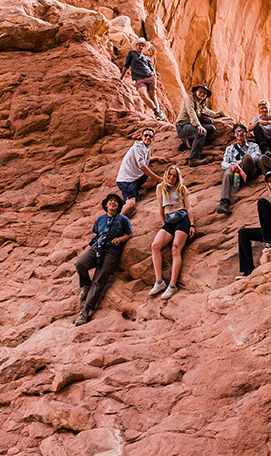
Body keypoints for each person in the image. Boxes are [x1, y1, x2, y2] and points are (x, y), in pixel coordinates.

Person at [73, 194, 134, 325]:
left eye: (116, 201)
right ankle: (85, 284)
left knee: (99, 280)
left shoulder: (122, 219)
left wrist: (120, 239)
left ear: (119, 206)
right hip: (97, 248)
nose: (113, 203)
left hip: (112, 252)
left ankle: (85, 311)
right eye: (110, 201)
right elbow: (96, 234)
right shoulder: (100, 219)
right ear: (106, 204)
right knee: (80, 263)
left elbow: (129, 234)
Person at [149, 165, 194, 299]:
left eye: (174, 176)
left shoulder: (182, 188)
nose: (171, 178)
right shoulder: (160, 187)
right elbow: (160, 207)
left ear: (177, 177)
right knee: (155, 246)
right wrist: (164, 225)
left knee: (175, 249)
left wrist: (192, 224)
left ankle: (172, 286)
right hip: (169, 221)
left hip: (182, 219)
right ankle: (159, 282)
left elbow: (189, 207)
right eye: (169, 175)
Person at [175, 84, 227, 167]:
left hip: (190, 126)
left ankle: (190, 141)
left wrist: (220, 115)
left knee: (211, 129)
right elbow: (191, 111)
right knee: (200, 132)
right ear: (196, 92)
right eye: (200, 91)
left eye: (204, 93)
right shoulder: (190, 98)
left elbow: (209, 112)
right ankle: (193, 159)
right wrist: (198, 125)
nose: (202, 94)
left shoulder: (201, 104)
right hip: (182, 125)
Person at [217, 124, 264, 215]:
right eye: (237, 132)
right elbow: (224, 162)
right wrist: (231, 166)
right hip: (235, 173)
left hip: (248, 170)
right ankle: (225, 203)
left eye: (242, 131)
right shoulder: (230, 148)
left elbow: (257, 156)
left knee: (247, 157)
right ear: (234, 134)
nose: (240, 134)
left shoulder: (253, 146)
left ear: (246, 133)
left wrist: (239, 162)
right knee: (227, 173)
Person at [114, 128, 163, 215]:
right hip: (126, 180)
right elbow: (142, 167)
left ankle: (136, 189)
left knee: (153, 181)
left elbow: (143, 161)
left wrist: (156, 158)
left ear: (153, 139)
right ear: (141, 137)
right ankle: (116, 221)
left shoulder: (147, 150)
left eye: (150, 136)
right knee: (131, 204)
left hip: (136, 176)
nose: (148, 137)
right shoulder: (138, 146)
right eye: (146, 135)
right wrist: (159, 178)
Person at [121, 39, 165, 120]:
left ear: (144, 48)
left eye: (143, 46)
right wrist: (121, 78)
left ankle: (158, 115)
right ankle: (157, 112)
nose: (141, 47)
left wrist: (154, 77)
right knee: (143, 95)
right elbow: (126, 65)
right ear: (136, 46)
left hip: (150, 77)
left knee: (153, 96)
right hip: (139, 80)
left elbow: (152, 69)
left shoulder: (147, 58)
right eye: (139, 45)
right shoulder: (132, 53)